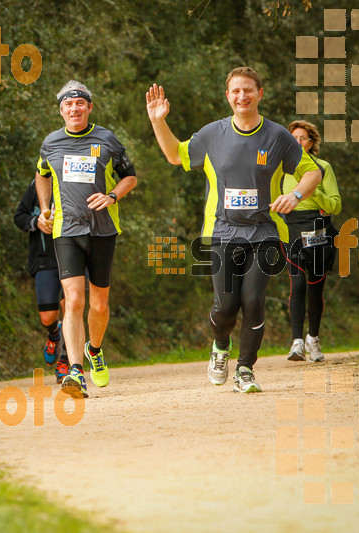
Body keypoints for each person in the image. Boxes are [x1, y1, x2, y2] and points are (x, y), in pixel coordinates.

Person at [146, 67, 321, 393]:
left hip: (267, 232)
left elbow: (313, 174)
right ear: (228, 96)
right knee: (225, 307)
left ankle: (245, 369)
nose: (242, 96)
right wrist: (158, 120)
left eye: (248, 90)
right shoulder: (212, 135)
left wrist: (295, 195)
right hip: (221, 233)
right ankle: (221, 346)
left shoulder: (278, 136)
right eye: (236, 91)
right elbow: (175, 155)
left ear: (260, 94)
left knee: (253, 300)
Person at [36, 80, 138, 398]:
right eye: (68, 104)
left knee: (99, 303)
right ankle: (76, 373)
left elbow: (130, 176)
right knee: (75, 300)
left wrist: (112, 196)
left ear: (89, 107)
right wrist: (44, 209)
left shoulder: (106, 139)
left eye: (80, 103)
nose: (74, 108)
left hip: (103, 230)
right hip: (66, 231)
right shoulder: (50, 142)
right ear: (61, 110)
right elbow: (41, 173)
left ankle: (94, 349)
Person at [278, 120, 342, 363]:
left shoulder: (323, 167)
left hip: (318, 229)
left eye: (303, 138)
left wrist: (312, 190)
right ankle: (296, 343)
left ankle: (312, 338)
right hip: (290, 228)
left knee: (315, 286)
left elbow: (335, 205)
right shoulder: (280, 169)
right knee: (297, 284)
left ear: (311, 142)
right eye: (293, 137)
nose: (298, 142)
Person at [14, 178, 71, 383]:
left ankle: (65, 362)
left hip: (74, 256)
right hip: (44, 257)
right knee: (48, 317)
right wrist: (36, 222)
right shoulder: (39, 182)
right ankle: (54, 335)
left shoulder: (82, 177)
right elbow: (19, 216)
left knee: (70, 306)